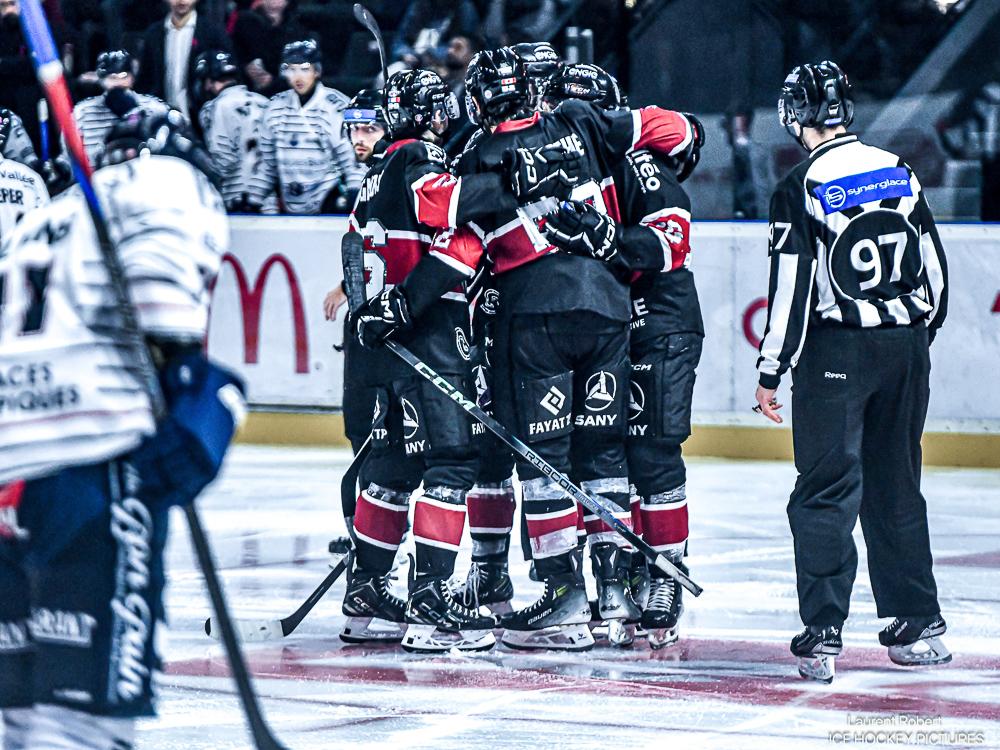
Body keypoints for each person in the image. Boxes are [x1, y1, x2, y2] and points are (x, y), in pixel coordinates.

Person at [0, 108, 243, 749]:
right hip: (89, 469)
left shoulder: (49, 214)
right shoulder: (168, 182)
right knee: (82, 723)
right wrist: (207, 400)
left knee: (21, 716)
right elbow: (164, 318)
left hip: (8, 470)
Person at [456, 47, 695, 651]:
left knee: (551, 458)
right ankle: (613, 588)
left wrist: (409, 304)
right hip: (611, 309)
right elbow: (682, 129)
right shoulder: (584, 126)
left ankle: (570, 591)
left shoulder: (481, 154)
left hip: (550, 313)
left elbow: (451, 243)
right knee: (605, 452)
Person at [754, 61, 950, 683]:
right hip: (906, 345)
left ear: (797, 114)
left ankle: (823, 633)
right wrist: (913, 340)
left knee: (825, 490)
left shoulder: (800, 185)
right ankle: (917, 624)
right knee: (897, 483)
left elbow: (792, 288)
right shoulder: (897, 169)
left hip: (838, 352)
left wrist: (771, 367)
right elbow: (935, 270)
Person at [343, 68, 524, 652]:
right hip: (431, 335)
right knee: (452, 460)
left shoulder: (372, 175)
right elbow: (448, 207)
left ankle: (366, 591)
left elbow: (354, 253)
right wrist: (506, 179)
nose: (445, 118)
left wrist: (380, 312)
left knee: (392, 465)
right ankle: (429, 601)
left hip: (384, 346)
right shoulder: (418, 156)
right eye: (438, 109)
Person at [543, 62, 706, 649]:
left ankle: (666, 574)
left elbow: (673, 238)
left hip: (657, 320)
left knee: (653, 450)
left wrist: (610, 240)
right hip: (603, 324)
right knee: (597, 453)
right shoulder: (557, 170)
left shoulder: (636, 160)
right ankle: (621, 571)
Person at [449, 40, 563, 619]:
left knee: (536, 448)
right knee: (496, 447)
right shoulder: (486, 145)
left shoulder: (562, 131)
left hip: (530, 311)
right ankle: (498, 573)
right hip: (514, 311)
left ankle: (571, 580)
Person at [248, 40, 364, 215]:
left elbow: (351, 159)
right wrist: (253, 200)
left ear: (317, 71)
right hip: (289, 201)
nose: (297, 77)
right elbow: (267, 164)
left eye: (304, 69)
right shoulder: (274, 107)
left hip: (329, 198)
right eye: (291, 69)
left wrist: (355, 194)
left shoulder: (337, 106)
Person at [64, 49, 167, 169]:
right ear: (101, 80)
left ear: (132, 78)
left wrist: (135, 114)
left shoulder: (154, 108)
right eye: (112, 78)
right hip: (98, 176)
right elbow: (68, 156)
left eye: (124, 76)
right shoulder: (82, 112)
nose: (119, 82)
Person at [194, 49, 270, 212]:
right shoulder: (265, 102)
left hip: (237, 198)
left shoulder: (216, 107)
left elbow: (223, 162)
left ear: (208, 81)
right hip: (269, 199)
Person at [135, 0, 230, 118]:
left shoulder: (212, 32)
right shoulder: (154, 34)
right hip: (163, 116)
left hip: (202, 115)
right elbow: (144, 79)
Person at [231, 0, 308, 97]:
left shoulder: (297, 28)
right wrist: (246, 69)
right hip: (249, 91)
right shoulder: (246, 21)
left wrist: (274, 81)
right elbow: (235, 55)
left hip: (287, 92)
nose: (274, 2)